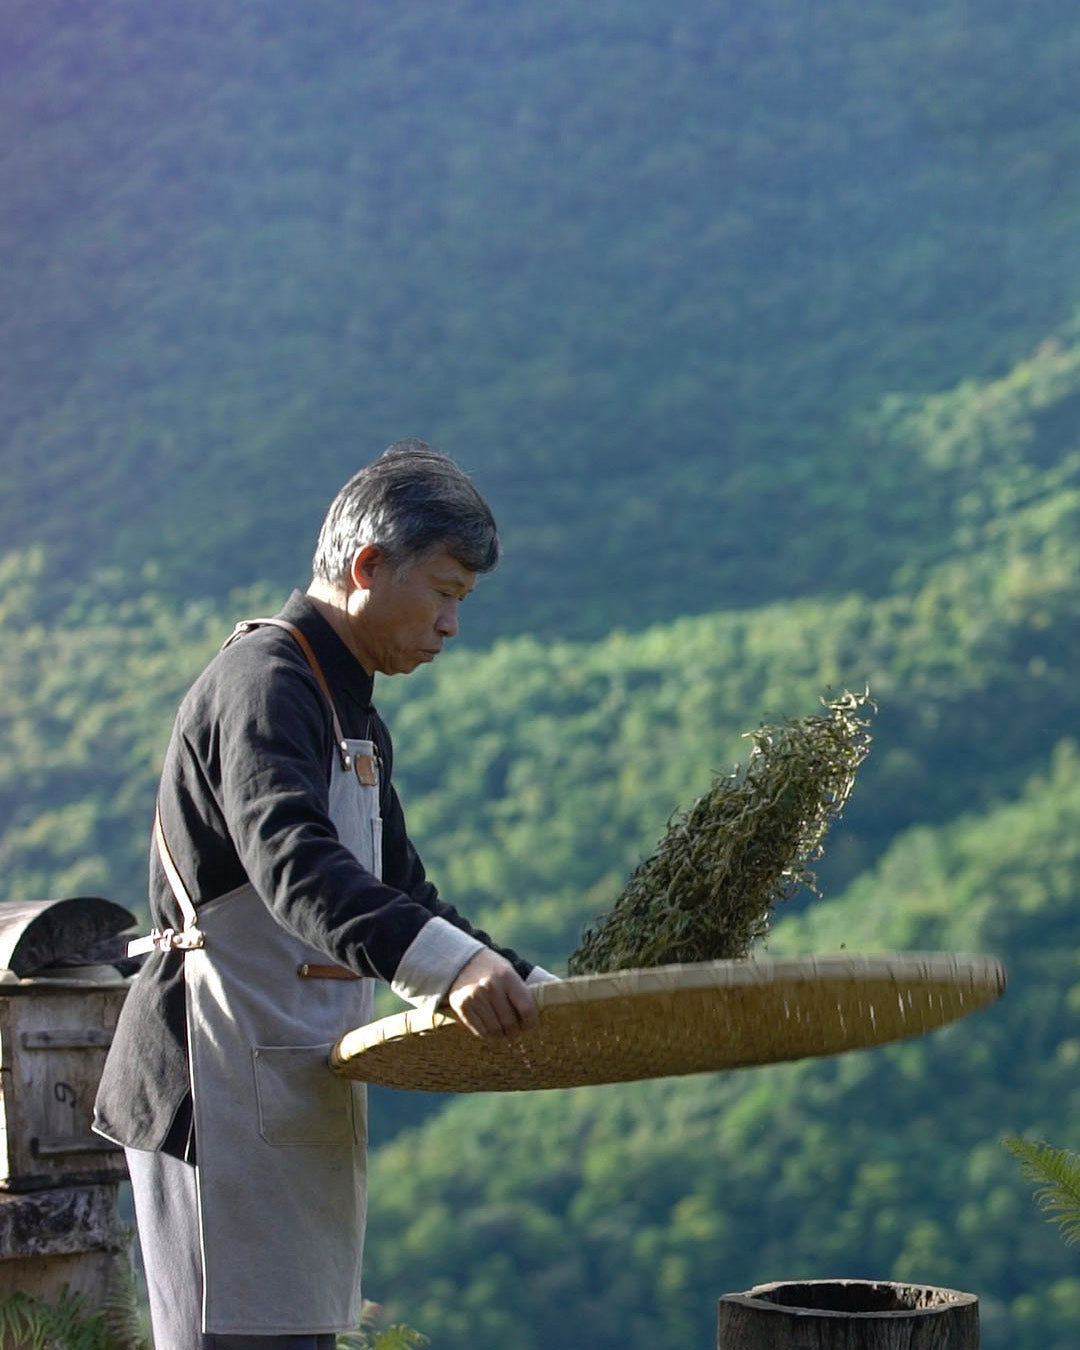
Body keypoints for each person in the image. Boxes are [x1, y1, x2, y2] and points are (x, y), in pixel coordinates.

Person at [94, 441, 555, 1349]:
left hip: (291, 1082)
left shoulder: (353, 713)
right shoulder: (266, 682)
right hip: (212, 1088)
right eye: (446, 591)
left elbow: (401, 892)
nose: (452, 625)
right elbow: (294, 863)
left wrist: (534, 987)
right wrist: (449, 973)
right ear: (368, 566)